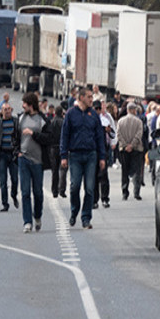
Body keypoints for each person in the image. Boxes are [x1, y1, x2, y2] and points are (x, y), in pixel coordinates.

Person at [59, 87, 107, 229]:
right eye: (89, 97)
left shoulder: (94, 115)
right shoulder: (71, 114)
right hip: (75, 155)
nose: (92, 100)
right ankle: (74, 211)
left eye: (92, 97)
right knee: (74, 186)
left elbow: (100, 137)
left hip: (91, 155)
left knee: (90, 188)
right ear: (80, 98)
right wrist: (63, 155)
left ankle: (86, 218)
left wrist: (102, 157)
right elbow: (65, 135)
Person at [17, 92, 49, 233]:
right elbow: (15, 137)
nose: (22, 105)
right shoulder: (20, 118)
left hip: (38, 161)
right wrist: (16, 151)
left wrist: (33, 134)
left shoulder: (41, 119)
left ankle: (37, 216)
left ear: (31, 104)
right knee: (25, 192)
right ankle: (27, 222)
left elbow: (49, 138)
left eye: (25, 103)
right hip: (23, 159)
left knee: (38, 193)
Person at [0, 103, 20, 212]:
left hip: (13, 154)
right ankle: (5, 204)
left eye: (8, 109)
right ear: (2, 111)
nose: (7, 111)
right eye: (5, 109)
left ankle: (14, 194)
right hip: (3, 154)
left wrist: (20, 150)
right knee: (3, 181)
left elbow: (20, 136)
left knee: (15, 179)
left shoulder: (16, 121)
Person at [116, 102, 145, 201]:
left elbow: (119, 134)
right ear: (132, 110)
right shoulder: (139, 122)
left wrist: (125, 145)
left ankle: (125, 192)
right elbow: (139, 134)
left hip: (124, 150)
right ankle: (136, 192)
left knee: (124, 171)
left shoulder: (120, 121)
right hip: (136, 149)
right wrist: (132, 145)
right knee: (137, 171)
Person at [46, 104, 65, 198]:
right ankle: (62, 189)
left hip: (53, 148)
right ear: (62, 113)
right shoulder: (63, 122)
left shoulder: (51, 122)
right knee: (63, 170)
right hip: (62, 147)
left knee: (54, 171)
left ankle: (54, 190)